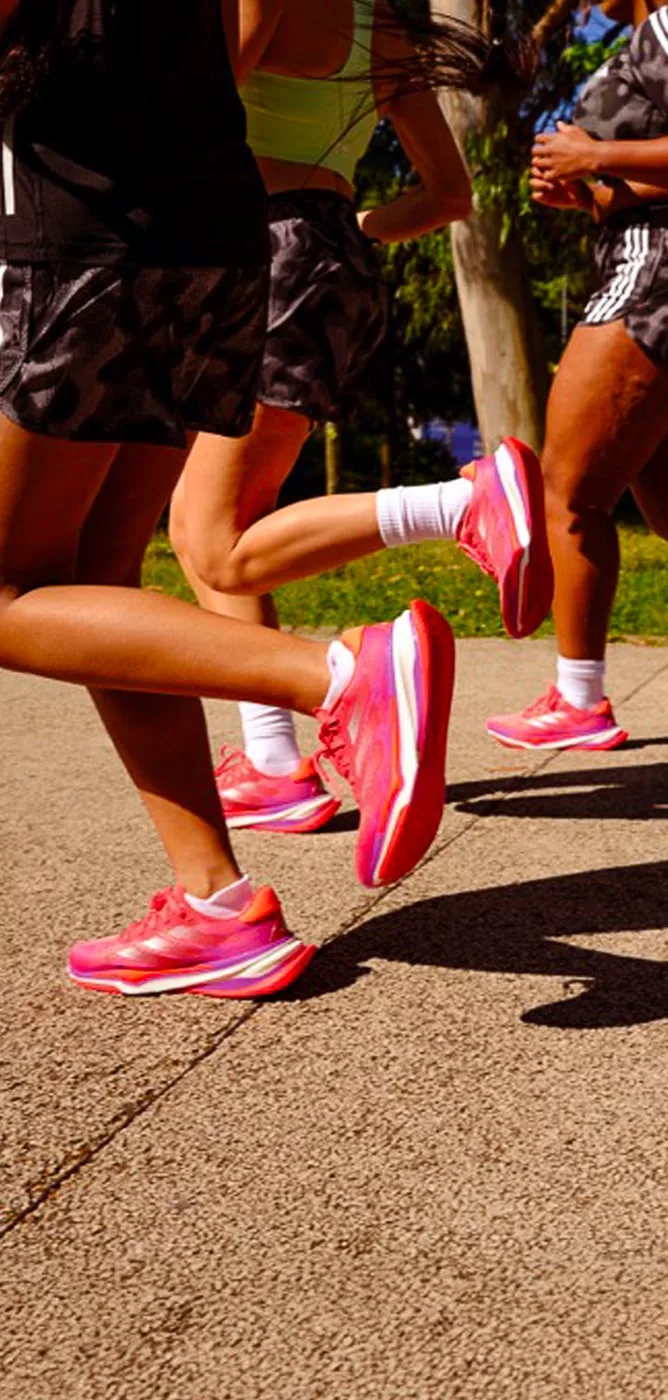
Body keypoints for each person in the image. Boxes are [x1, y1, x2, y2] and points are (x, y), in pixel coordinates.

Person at [0, 0, 455, 997]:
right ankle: (215, 903)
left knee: (9, 592)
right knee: (98, 584)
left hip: (81, 234)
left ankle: (339, 678)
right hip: (219, 241)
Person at [168, 0, 551, 833]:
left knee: (213, 542)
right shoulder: (382, 21)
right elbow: (449, 196)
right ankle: (270, 762)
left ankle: (459, 504)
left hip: (257, 250)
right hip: (325, 256)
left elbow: (181, 113)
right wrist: (345, 230)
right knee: (215, 523)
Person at [481, 0, 668, 750]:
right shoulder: (658, 37)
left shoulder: (667, 24)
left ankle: (578, 700)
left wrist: (595, 158)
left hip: (660, 274)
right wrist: (591, 193)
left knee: (569, 494)